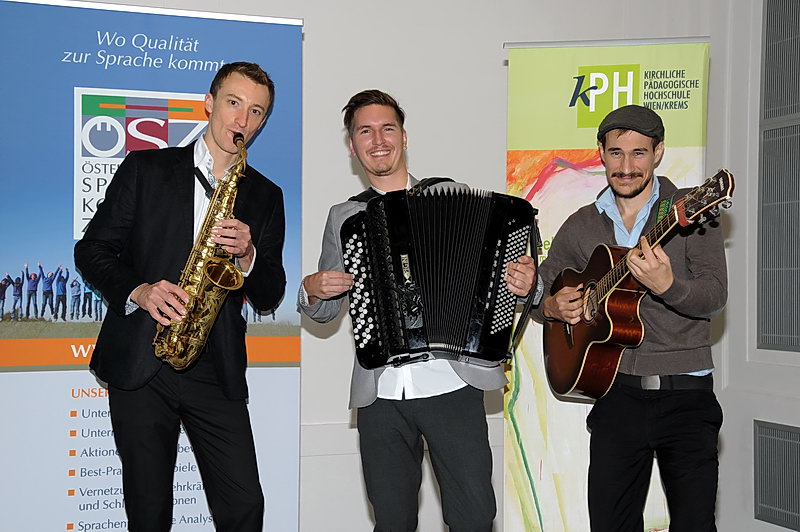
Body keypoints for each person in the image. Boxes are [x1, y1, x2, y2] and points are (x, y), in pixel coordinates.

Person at [298, 89, 536, 532]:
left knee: (474, 518)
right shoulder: (344, 217)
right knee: (392, 521)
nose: (378, 140)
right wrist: (311, 290)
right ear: (352, 145)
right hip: (380, 395)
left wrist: (525, 284)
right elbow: (326, 311)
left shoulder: (452, 195)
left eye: (387, 129)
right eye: (365, 132)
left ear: (404, 137)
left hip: (453, 385)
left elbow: (509, 280)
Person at [74, 61, 286, 532]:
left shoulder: (266, 195)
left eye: (256, 111)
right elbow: (92, 250)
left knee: (245, 505)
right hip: (142, 361)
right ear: (209, 104)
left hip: (215, 366)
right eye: (233, 103)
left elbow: (271, 291)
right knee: (148, 511)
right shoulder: (146, 168)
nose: (242, 120)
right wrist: (140, 290)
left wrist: (249, 255)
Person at [532, 105, 727, 531]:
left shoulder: (688, 210)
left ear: (658, 152)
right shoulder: (582, 224)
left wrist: (667, 285)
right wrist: (549, 307)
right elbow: (541, 285)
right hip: (615, 393)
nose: (626, 166)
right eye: (616, 153)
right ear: (601, 153)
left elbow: (714, 297)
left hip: (685, 394)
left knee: (695, 524)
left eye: (639, 153)